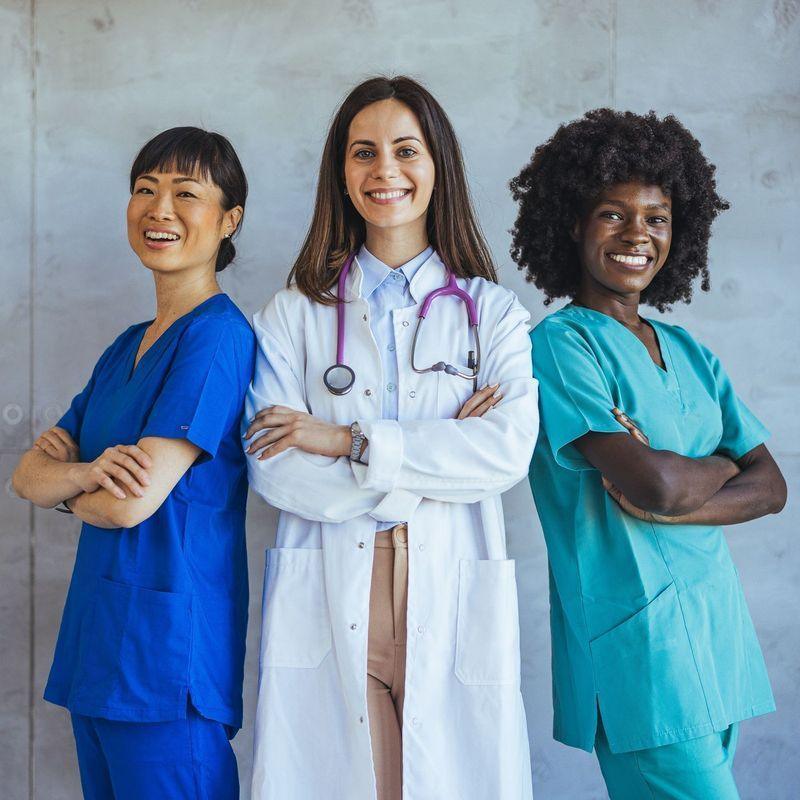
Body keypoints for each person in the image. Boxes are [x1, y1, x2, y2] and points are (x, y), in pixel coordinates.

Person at [243, 76, 538, 800]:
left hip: (451, 581)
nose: (385, 172)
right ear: (341, 174)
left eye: (406, 150)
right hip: (332, 581)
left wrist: (344, 441)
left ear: (438, 166)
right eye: (363, 153)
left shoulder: (492, 314)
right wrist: (436, 453)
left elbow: (504, 452)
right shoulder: (292, 316)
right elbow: (274, 470)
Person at [510, 109, 787, 799]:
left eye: (657, 218)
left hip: (715, 636)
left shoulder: (690, 352)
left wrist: (701, 479)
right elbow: (655, 484)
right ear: (573, 223)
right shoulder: (559, 346)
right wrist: (719, 467)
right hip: (640, 649)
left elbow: (772, 486)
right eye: (613, 214)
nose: (638, 235)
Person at [12, 127, 255, 799]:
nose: (160, 209)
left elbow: (130, 503)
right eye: (145, 190)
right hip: (99, 651)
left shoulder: (218, 339)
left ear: (229, 218)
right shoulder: (126, 346)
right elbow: (25, 474)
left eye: (186, 193)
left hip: (166, 667)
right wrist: (87, 475)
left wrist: (71, 485)